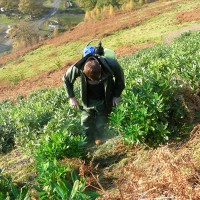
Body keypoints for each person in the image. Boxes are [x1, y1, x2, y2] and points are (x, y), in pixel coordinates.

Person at [62, 45, 125, 145]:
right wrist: (72, 97)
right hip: (88, 97)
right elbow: (66, 79)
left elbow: (120, 79)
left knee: (102, 119)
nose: (97, 81)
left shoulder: (111, 64)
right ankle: (87, 142)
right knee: (86, 120)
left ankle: (100, 138)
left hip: (105, 95)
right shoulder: (78, 68)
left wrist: (117, 95)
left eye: (99, 78)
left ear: (100, 67)